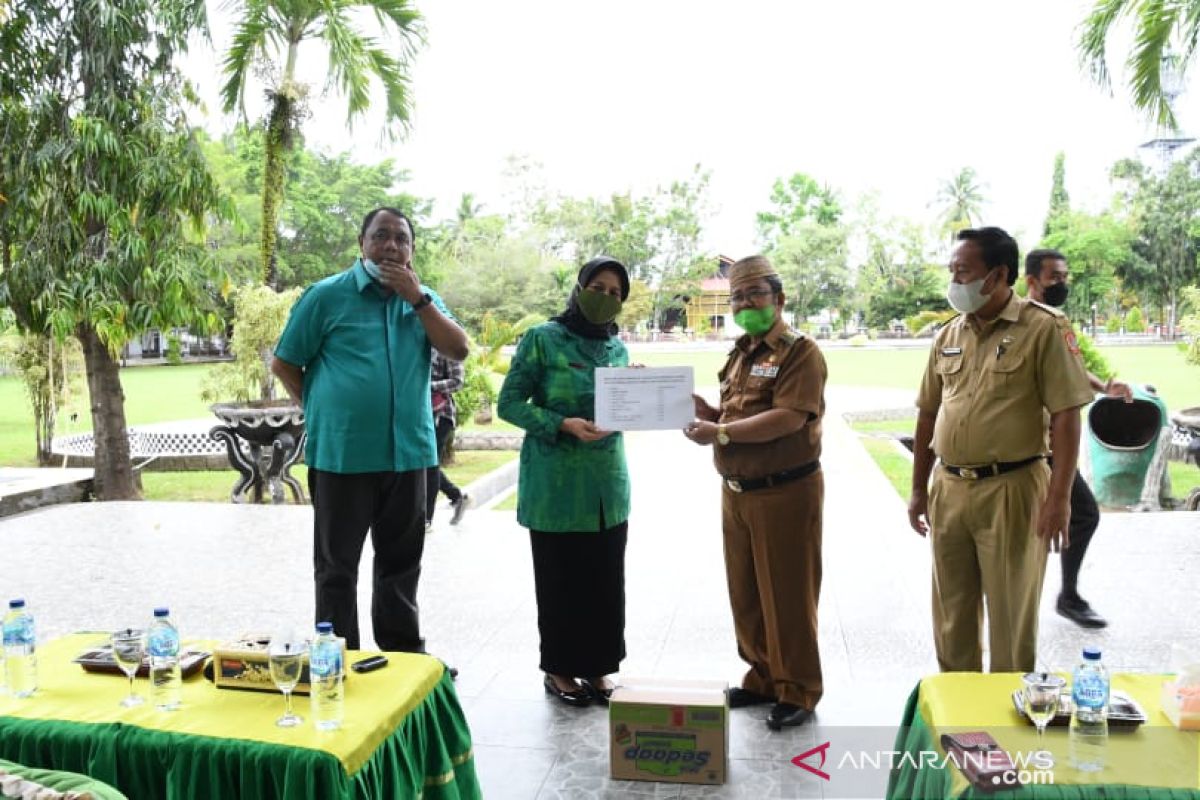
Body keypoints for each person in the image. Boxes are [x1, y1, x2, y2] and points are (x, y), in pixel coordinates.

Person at [271, 207, 469, 653]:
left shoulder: (424, 299)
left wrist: (418, 299)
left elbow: (457, 348)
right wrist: (322, 408)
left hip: (409, 456)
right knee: (337, 568)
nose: (391, 245)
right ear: (362, 244)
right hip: (343, 457)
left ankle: (402, 659)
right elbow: (284, 361)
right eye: (381, 235)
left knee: (402, 565)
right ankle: (338, 657)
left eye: (401, 238)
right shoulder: (325, 297)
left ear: (411, 250)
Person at [908, 227, 1093, 673]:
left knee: (1011, 619)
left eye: (963, 271)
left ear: (998, 275)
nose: (955, 280)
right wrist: (918, 490)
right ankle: (958, 725)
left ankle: (1005, 731)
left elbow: (1068, 416)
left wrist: (1059, 497)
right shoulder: (948, 335)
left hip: (1013, 489)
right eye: (952, 270)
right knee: (952, 617)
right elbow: (927, 415)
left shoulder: (1044, 328)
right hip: (950, 488)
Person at [683, 255, 827, 731]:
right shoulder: (741, 351)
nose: (745, 304)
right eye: (738, 297)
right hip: (738, 492)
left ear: (779, 298)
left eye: (754, 295)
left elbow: (789, 417)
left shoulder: (799, 352)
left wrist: (720, 433)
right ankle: (763, 675)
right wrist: (705, 411)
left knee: (787, 593)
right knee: (746, 592)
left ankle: (798, 688)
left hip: (785, 491)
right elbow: (731, 412)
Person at [497, 256, 631, 708]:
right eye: (599, 286)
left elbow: (621, 411)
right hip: (555, 485)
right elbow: (510, 402)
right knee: (560, 582)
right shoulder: (542, 339)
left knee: (605, 582)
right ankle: (558, 670)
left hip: (607, 488)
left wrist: (642, 397)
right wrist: (561, 423)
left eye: (615, 293)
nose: (606, 297)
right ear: (579, 287)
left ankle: (598, 668)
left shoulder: (618, 349)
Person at [1025, 248, 1132, 629]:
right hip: (1030, 445)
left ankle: (1066, 595)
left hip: (1052, 444)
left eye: (1064, 276)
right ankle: (1055, 597)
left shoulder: (1057, 321)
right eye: (1054, 276)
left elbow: (1071, 367)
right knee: (1074, 514)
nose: (1062, 283)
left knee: (1080, 513)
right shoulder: (1021, 321)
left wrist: (1105, 388)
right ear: (1031, 280)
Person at [426, 349, 469, 530]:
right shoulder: (412, 342)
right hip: (418, 414)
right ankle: (457, 497)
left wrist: (428, 386)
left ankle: (426, 518)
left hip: (440, 415)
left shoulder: (446, 346)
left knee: (428, 464)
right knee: (426, 464)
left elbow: (457, 382)